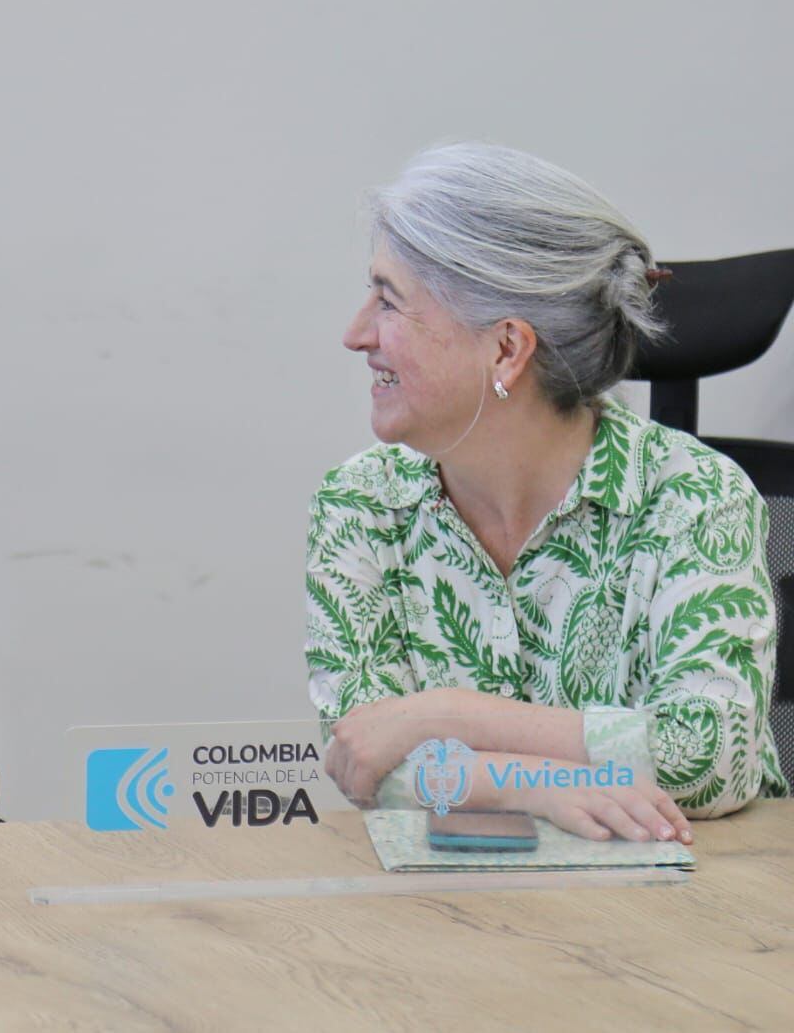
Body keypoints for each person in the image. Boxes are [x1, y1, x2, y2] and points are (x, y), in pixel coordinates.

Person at [306, 143, 786, 841]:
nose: (356, 334)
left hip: (694, 913)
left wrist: (445, 715)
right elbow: (362, 756)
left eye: (388, 299)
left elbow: (709, 760)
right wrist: (531, 787)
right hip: (457, 914)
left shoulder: (696, 497)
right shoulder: (358, 507)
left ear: (506, 349)